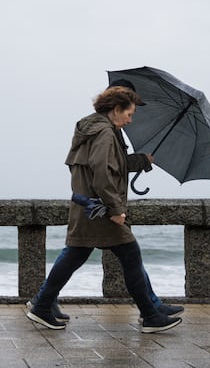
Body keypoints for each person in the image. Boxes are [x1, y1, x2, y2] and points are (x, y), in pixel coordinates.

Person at [27, 83, 183, 333]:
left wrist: (142, 161)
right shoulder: (105, 133)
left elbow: (108, 165)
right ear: (116, 109)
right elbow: (101, 173)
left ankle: (43, 303)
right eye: (129, 114)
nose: (131, 120)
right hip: (99, 210)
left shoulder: (93, 128)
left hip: (88, 207)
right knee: (130, 254)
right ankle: (151, 315)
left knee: (75, 255)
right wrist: (115, 208)